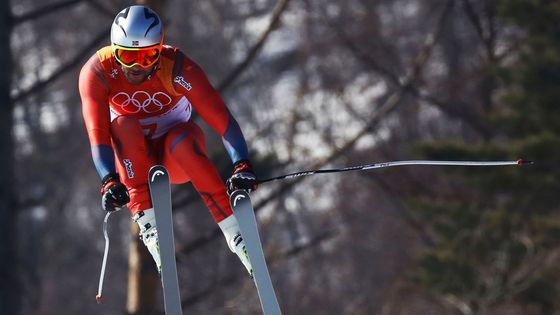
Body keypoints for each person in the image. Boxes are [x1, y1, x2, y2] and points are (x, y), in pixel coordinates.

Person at [79, 5, 258, 276]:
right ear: (115, 50)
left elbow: (222, 120)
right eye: (127, 56)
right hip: (132, 162)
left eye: (147, 56)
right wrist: (108, 180)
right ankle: (150, 228)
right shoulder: (98, 72)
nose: (136, 67)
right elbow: (98, 135)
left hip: (176, 157)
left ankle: (236, 235)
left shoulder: (176, 68)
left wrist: (241, 163)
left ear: (160, 50)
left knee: (183, 138)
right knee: (124, 124)